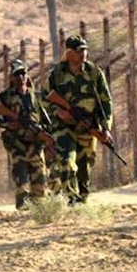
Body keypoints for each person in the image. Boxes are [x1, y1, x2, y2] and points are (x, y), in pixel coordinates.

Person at [44, 35, 114, 205]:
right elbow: (44, 99)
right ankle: (72, 200)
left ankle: (81, 201)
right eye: (78, 51)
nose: (83, 54)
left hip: (87, 125)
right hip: (64, 127)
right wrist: (58, 111)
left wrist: (105, 128)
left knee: (84, 170)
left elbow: (106, 101)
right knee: (67, 162)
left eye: (84, 50)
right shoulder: (57, 74)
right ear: (69, 53)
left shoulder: (94, 73)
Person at [0, 58, 55, 209]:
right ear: (11, 78)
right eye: (17, 74)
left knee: (40, 182)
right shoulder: (5, 98)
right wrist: (8, 124)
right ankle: (22, 209)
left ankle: (38, 210)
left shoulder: (34, 96)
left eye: (23, 73)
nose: (21, 77)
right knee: (21, 177)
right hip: (17, 144)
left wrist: (45, 135)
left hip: (35, 144)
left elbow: (45, 119)